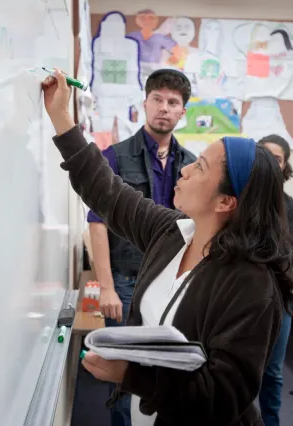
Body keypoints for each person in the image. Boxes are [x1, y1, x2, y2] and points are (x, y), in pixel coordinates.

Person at [43, 69, 293, 426]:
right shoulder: (175, 233)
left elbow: (223, 395)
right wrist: (61, 117)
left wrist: (132, 376)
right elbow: (108, 193)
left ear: (225, 201)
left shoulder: (251, 284)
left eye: (201, 167)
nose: (187, 169)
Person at [87, 68, 196, 426]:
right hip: (126, 280)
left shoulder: (192, 165)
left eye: (173, 102)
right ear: (145, 103)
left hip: (175, 281)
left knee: (168, 365)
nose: (164, 108)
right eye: (157, 99)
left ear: (182, 112)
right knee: (123, 370)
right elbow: (97, 223)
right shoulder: (114, 156)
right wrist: (106, 286)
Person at [257, 134, 293, 426]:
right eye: (265, 156)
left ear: (285, 165)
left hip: (279, 295)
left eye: (277, 159)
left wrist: (264, 248)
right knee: (236, 369)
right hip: (242, 296)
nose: (271, 164)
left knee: (272, 372)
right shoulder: (237, 197)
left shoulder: (288, 204)